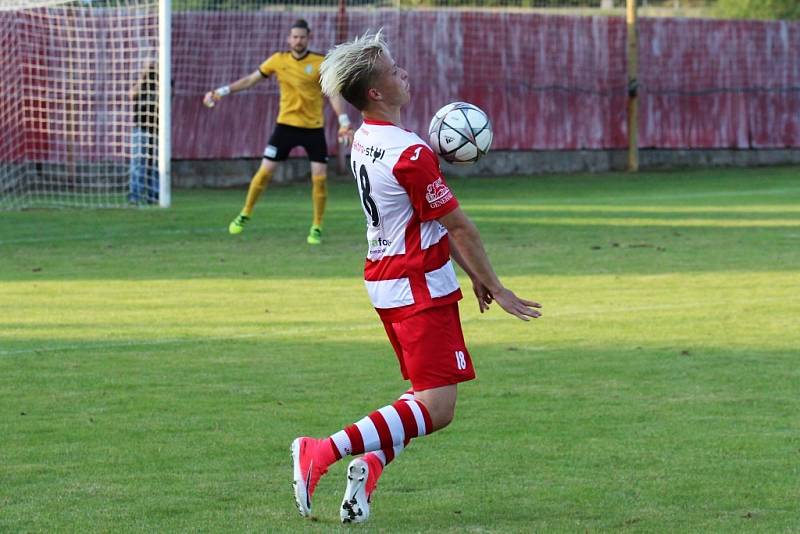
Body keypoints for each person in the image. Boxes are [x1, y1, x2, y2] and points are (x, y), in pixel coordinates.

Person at [290, 31, 542, 524]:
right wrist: (496, 284)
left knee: (423, 395)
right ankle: (320, 450)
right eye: (392, 69)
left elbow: (426, 222)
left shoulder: (365, 139)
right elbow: (458, 225)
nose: (403, 72)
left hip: (389, 281)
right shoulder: (410, 154)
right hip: (419, 286)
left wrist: (472, 274)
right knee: (438, 406)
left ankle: (369, 467)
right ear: (376, 93)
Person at [203, 19, 354, 244]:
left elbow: (333, 93)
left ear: (308, 38)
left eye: (302, 37)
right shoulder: (278, 60)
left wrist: (343, 121)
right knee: (264, 172)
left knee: (320, 179)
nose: (298, 40)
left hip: (313, 129)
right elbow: (250, 80)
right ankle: (245, 213)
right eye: (294, 37)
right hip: (285, 126)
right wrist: (221, 91)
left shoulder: (320, 62)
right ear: (288, 38)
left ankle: (317, 226)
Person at [130, 61, 159, 204]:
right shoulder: (141, 85)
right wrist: (142, 78)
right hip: (140, 128)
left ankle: (154, 195)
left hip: (158, 130)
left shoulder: (163, 84)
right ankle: (135, 194)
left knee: (156, 164)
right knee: (138, 163)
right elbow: (132, 95)